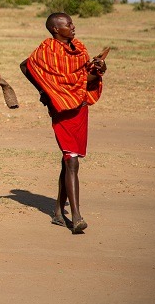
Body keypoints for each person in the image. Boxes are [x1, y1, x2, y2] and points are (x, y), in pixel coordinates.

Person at [21, 13, 105, 234]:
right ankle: (76, 216)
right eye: (68, 25)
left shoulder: (79, 48)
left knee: (70, 159)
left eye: (72, 23)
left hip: (80, 107)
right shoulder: (47, 50)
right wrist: (44, 89)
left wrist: (98, 69)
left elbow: (85, 79)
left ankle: (58, 211)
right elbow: (25, 66)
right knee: (72, 162)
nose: (73, 27)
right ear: (56, 30)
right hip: (62, 109)